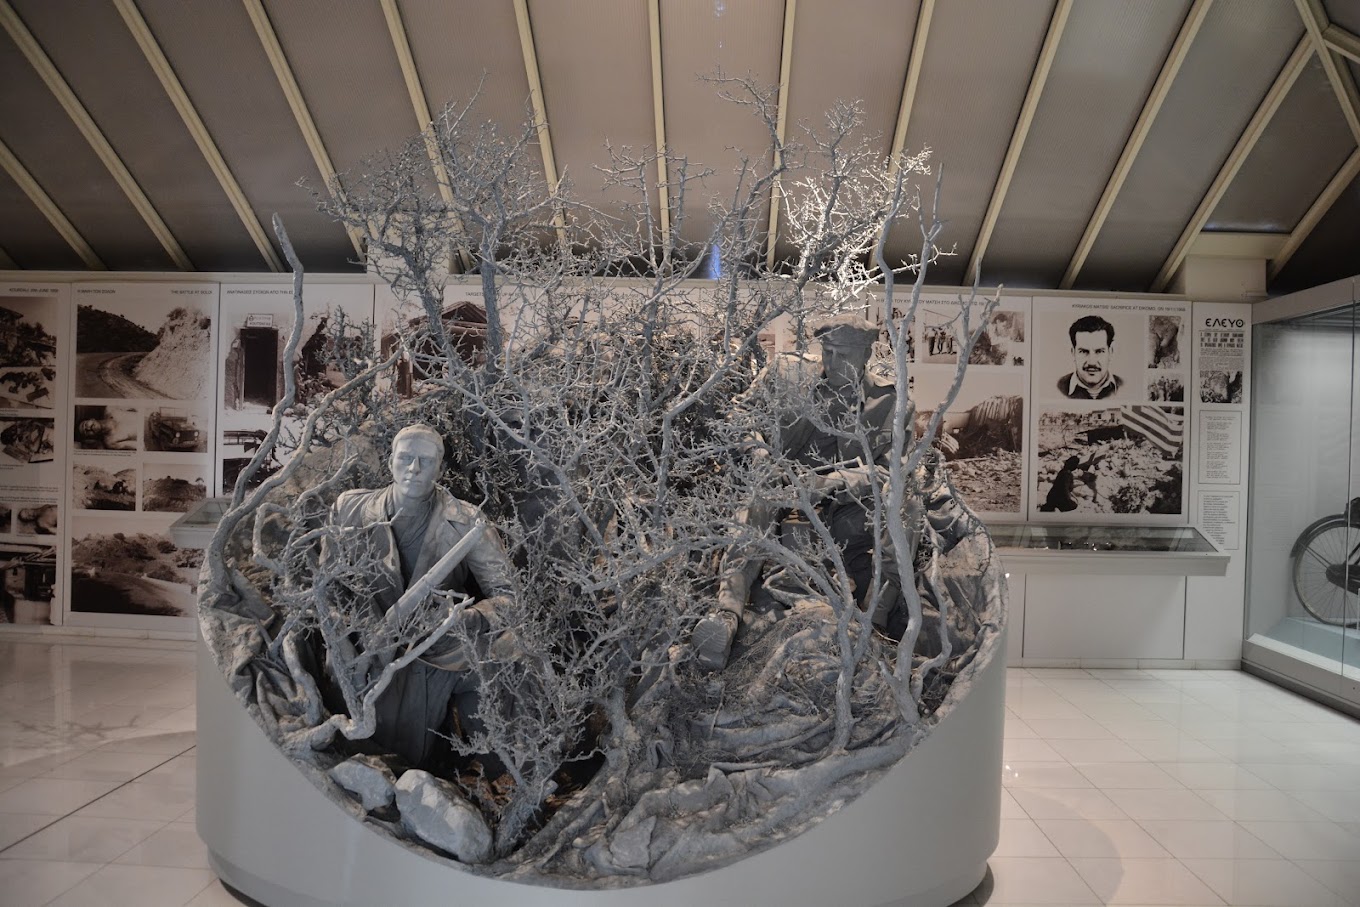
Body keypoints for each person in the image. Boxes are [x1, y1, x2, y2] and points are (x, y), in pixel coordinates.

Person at [691, 316, 899, 671]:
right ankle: (726, 616)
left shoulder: (887, 402)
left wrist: (834, 481)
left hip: (844, 505)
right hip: (780, 487)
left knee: (898, 521)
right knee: (755, 506)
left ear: (866, 355)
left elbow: (890, 471)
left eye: (844, 355)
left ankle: (872, 625)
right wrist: (757, 449)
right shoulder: (787, 372)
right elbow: (739, 414)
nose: (832, 362)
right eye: (827, 352)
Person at [328, 422, 516, 768]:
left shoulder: (466, 521)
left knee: (508, 655)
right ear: (390, 462)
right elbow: (326, 588)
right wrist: (350, 632)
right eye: (405, 458)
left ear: (440, 469)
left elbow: (508, 597)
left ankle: (500, 768)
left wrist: (465, 619)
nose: (413, 469)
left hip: (437, 645)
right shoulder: (350, 509)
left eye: (425, 461)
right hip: (364, 642)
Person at [1057, 315, 1122, 399]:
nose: (1092, 362)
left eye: (1099, 351)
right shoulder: (1058, 387)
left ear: (1111, 351)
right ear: (1073, 352)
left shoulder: (1123, 387)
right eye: (1083, 351)